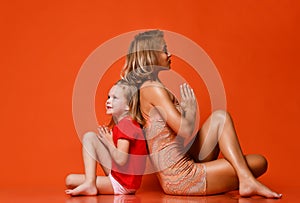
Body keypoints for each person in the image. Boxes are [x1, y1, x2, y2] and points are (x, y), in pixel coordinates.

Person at [122, 30, 282, 198]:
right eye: (164, 50)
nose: (169, 54)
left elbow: (174, 139)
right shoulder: (152, 89)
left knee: (220, 118)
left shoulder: (148, 88)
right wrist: (189, 111)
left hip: (183, 162)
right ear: (151, 56)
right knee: (259, 162)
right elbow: (184, 131)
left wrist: (183, 110)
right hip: (181, 178)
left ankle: (245, 179)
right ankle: (246, 180)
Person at [65, 79, 147, 195]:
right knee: (70, 179)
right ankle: (90, 182)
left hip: (123, 184)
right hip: (120, 177)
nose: (108, 101)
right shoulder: (124, 123)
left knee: (71, 180)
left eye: (115, 98)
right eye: (109, 97)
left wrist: (108, 141)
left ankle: (90, 184)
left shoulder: (127, 124)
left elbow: (121, 160)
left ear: (128, 106)